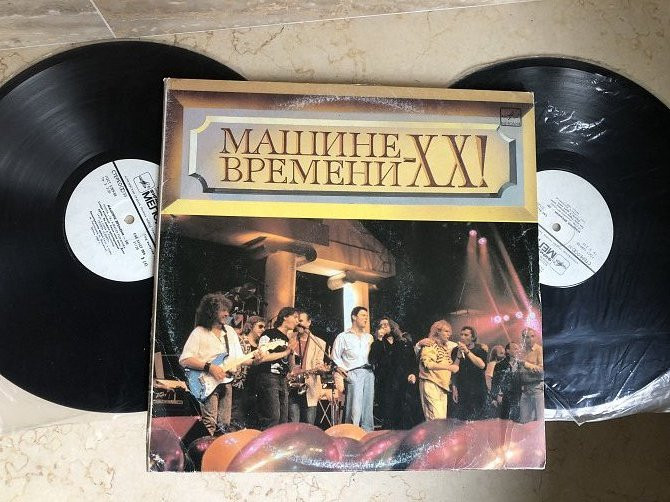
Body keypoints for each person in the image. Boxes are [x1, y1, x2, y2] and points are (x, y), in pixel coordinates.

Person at [179, 293, 246, 435]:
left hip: (226, 381)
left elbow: (240, 358)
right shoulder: (199, 332)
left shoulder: (230, 332)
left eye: (227, 310)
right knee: (209, 423)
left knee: (224, 425)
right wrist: (210, 367)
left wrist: (257, 358)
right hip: (206, 382)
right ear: (211, 312)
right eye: (223, 310)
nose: (227, 314)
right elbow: (185, 359)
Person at [370, 317, 420, 429]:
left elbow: (412, 361)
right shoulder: (378, 343)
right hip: (386, 383)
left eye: (386, 324)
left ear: (392, 326)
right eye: (381, 325)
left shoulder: (404, 342)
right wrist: (379, 339)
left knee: (404, 412)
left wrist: (413, 374)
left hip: (403, 381)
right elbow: (373, 359)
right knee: (388, 413)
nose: (383, 327)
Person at [331, 306, 375, 431]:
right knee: (354, 408)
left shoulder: (369, 337)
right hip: (353, 372)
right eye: (363, 315)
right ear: (354, 317)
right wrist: (343, 371)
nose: (366, 318)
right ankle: (352, 433)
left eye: (367, 316)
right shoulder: (343, 337)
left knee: (368, 407)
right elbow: (335, 357)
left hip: (369, 372)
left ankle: (367, 433)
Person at [255, 307, 295, 429]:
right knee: (273, 416)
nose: (296, 321)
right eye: (294, 317)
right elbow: (262, 357)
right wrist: (285, 352)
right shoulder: (269, 333)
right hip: (269, 376)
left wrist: (291, 352)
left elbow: (291, 367)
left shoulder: (287, 339)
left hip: (282, 378)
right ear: (285, 317)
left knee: (283, 419)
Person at [287, 311, 328, 425]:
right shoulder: (289, 337)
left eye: (301, 321)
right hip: (291, 385)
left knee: (309, 424)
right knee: (293, 423)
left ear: (309, 322)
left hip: (309, 386)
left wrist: (321, 369)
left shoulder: (319, 343)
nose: (298, 323)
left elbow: (319, 363)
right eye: (297, 320)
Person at [418, 320, 460, 420]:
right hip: (431, 383)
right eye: (446, 331)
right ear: (438, 332)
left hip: (442, 386)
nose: (449, 334)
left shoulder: (445, 347)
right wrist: (449, 368)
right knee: (436, 419)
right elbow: (428, 364)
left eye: (449, 332)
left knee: (441, 419)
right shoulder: (430, 344)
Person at [230, 315, 266, 429]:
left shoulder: (261, 346)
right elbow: (237, 359)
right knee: (237, 416)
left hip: (255, 385)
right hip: (241, 383)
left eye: (264, 327)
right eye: (260, 326)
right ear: (251, 326)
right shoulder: (241, 340)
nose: (263, 329)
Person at [451, 325, 488, 421]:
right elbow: (454, 370)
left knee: (479, 419)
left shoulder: (480, 349)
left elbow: (482, 365)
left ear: (473, 337)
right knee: (463, 420)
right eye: (461, 334)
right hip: (463, 389)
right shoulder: (455, 350)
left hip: (478, 389)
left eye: (466, 335)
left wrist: (467, 352)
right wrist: (454, 388)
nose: (462, 337)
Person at [490, 342, 523, 421]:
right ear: (508, 351)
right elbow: (495, 382)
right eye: (515, 349)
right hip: (504, 397)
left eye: (518, 349)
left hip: (517, 397)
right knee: (504, 420)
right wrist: (495, 397)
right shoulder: (500, 365)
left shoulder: (520, 365)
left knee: (516, 420)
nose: (518, 351)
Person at [519, 327, 544, 423]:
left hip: (537, 389)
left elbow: (542, 370)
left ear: (536, 337)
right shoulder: (521, 352)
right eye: (527, 337)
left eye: (532, 336)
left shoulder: (539, 350)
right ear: (523, 338)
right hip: (525, 389)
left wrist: (525, 364)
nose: (530, 339)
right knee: (524, 421)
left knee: (540, 420)